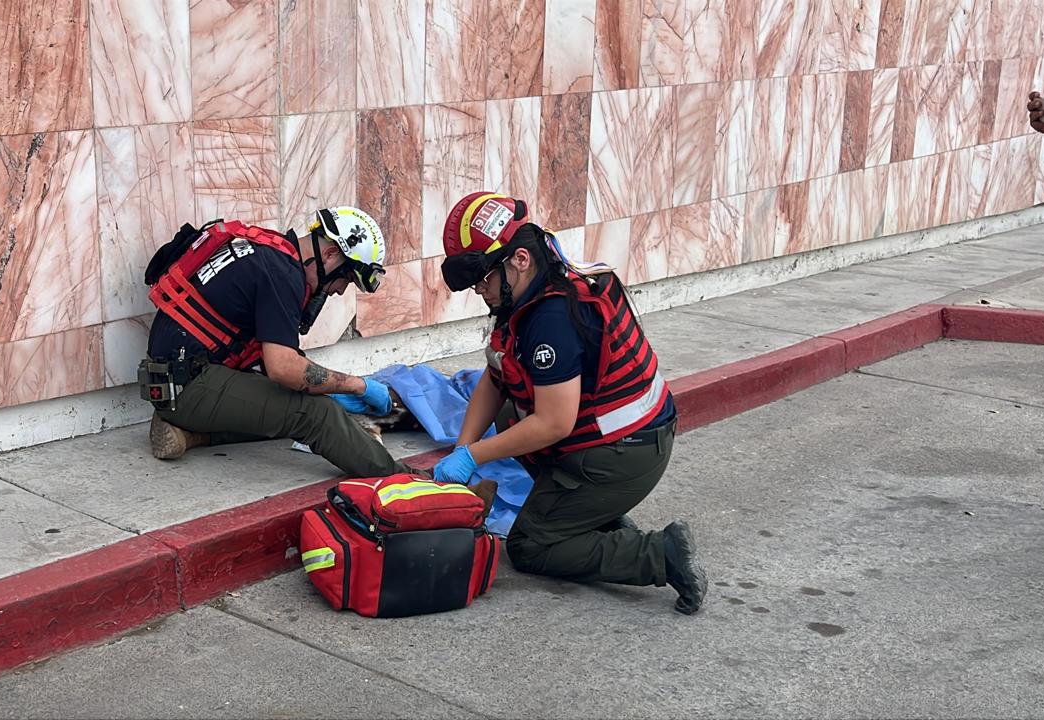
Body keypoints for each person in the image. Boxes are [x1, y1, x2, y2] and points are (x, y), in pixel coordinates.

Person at [429, 192, 707, 615]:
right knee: (509, 419)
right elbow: (497, 375)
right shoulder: (537, 282)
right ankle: (593, 518)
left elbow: (555, 423)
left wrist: (473, 457)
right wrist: (461, 450)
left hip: (626, 450)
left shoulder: (551, 318)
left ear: (519, 258)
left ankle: (661, 554)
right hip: (620, 440)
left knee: (530, 546)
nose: (479, 290)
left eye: (483, 278)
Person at [139, 206, 415, 480]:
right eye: (346, 278)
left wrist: (325, 387)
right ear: (330, 254)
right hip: (188, 387)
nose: (340, 290)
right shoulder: (283, 275)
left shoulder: (271, 252)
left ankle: (190, 433)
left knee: (291, 401)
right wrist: (358, 385)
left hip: (176, 379)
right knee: (314, 413)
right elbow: (284, 368)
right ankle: (401, 478)